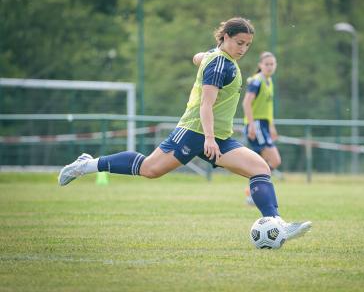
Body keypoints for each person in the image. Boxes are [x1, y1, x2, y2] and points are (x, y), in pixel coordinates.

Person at [58, 17, 311, 241]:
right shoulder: (220, 65)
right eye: (239, 43)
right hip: (195, 132)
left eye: (248, 45)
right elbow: (206, 104)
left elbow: (197, 57)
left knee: (260, 168)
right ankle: (87, 164)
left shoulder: (216, 56)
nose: (243, 49)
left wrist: (203, 58)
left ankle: (278, 224)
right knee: (150, 169)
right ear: (225, 37)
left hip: (219, 137)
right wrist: (208, 138)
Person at [242, 52, 282, 205]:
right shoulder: (256, 81)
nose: (270, 67)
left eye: (272, 64)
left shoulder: (269, 81)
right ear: (260, 65)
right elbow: (246, 103)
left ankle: (253, 192)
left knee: (262, 164)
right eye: (267, 64)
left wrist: (271, 126)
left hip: (264, 125)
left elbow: (268, 108)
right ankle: (253, 192)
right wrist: (251, 125)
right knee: (273, 160)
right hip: (256, 124)